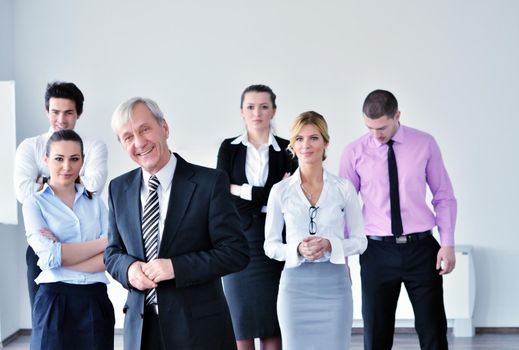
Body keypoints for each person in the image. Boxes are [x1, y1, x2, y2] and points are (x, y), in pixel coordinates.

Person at [104, 97, 250, 350]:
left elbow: (235, 253)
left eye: (145, 129)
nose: (139, 143)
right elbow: (112, 253)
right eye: (128, 137)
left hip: (198, 332)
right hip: (141, 331)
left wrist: (175, 267)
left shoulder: (210, 183)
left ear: (165, 128)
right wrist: (129, 270)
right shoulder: (119, 188)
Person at [339, 89, 457, 350]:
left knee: (433, 332)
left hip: (422, 249)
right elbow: (344, 210)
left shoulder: (425, 144)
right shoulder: (354, 152)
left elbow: (444, 196)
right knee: (376, 335)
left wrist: (447, 244)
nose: (376, 135)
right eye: (369, 128)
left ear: (397, 116)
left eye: (381, 127)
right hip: (376, 251)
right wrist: (343, 259)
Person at [264, 111, 367, 350]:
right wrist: (297, 249)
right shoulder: (280, 191)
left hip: (335, 287)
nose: (306, 145)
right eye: (299, 139)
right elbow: (270, 246)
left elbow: (360, 241)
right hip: (294, 288)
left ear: (325, 142)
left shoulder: (343, 188)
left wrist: (332, 245)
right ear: (292, 145)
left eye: (313, 138)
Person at [14, 81, 108, 310]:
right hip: (44, 242)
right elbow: (23, 192)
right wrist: (72, 181)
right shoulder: (30, 146)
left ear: (78, 114)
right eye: (55, 112)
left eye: (68, 113)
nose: (61, 119)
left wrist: (44, 182)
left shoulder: (93, 146)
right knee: (42, 316)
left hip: (89, 244)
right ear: (47, 111)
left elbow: (94, 186)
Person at [217, 84, 297, 350]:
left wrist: (240, 189)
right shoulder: (229, 149)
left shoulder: (288, 150)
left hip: (274, 238)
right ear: (241, 111)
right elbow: (221, 193)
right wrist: (268, 193)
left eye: (264, 106)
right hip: (237, 239)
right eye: (250, 107)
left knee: (272, 321)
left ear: (273, 110)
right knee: (240, 320)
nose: (257, 112)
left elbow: (287, 197)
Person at [22, 129, 114, 350]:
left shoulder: (96, 203)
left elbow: (111, 256)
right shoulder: (34, 204)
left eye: (74, 159)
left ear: (82, 161)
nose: (67, 166)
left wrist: (63, 253)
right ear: (45, 160)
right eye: (59, 159)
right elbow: (49, 257)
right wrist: (103, 242)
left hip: (95, 300)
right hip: (54, 299)